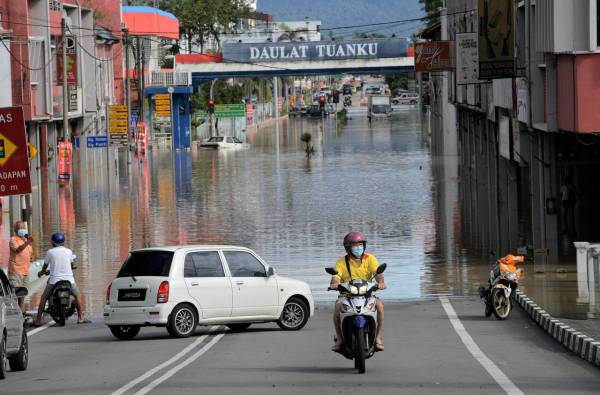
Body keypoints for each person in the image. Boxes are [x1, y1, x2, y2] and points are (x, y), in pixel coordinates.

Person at [329, 231, 386, 352]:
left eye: (360, 244)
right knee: (338, 307)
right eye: (355, 245)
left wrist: (381, 283)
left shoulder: (370, 258)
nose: (358, 247)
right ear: (348, 247)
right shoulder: (341, 262)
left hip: (367, 294)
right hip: (347, 294)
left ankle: (378, 337)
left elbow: (378, 273)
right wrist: (334, 283)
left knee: (380, 306)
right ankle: (340, 339)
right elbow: (336, 276)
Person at [33, 232, 90, 326]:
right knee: (77, 296)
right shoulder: (69, 251)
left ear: (53, 242)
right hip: (69, 280)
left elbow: (45, 266)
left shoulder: (50, 252)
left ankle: (38, 320)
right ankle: (80, 318)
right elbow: (72, 264)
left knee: (43, 298)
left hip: (54, 281)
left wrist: (41, 272)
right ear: (63, 242)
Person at [8, 221, 33, 310]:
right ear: (15, 230)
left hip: (25, 271)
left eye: (23, 228)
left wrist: (31, 257)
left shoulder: (26, 240)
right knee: (15, 291)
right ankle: (13, 310)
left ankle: (21, 311)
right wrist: (27, 242)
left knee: (22, 293)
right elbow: (18, 250)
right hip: (15, 270)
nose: (22, 230)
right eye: (20, 228)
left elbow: (29, 253)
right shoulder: (13, 239)